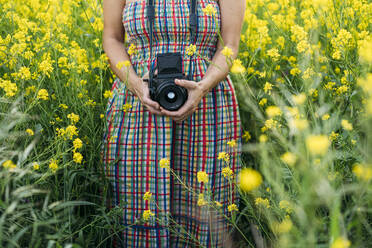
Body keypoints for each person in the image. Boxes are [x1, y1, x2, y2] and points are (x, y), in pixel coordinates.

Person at [100, 0, 245, 247]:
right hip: (137, 102)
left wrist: (203, 86)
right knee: (135, 204)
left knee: (205, 204)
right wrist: (136, 85)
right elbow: (112, 38)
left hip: (207, 103)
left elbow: (229, 44)